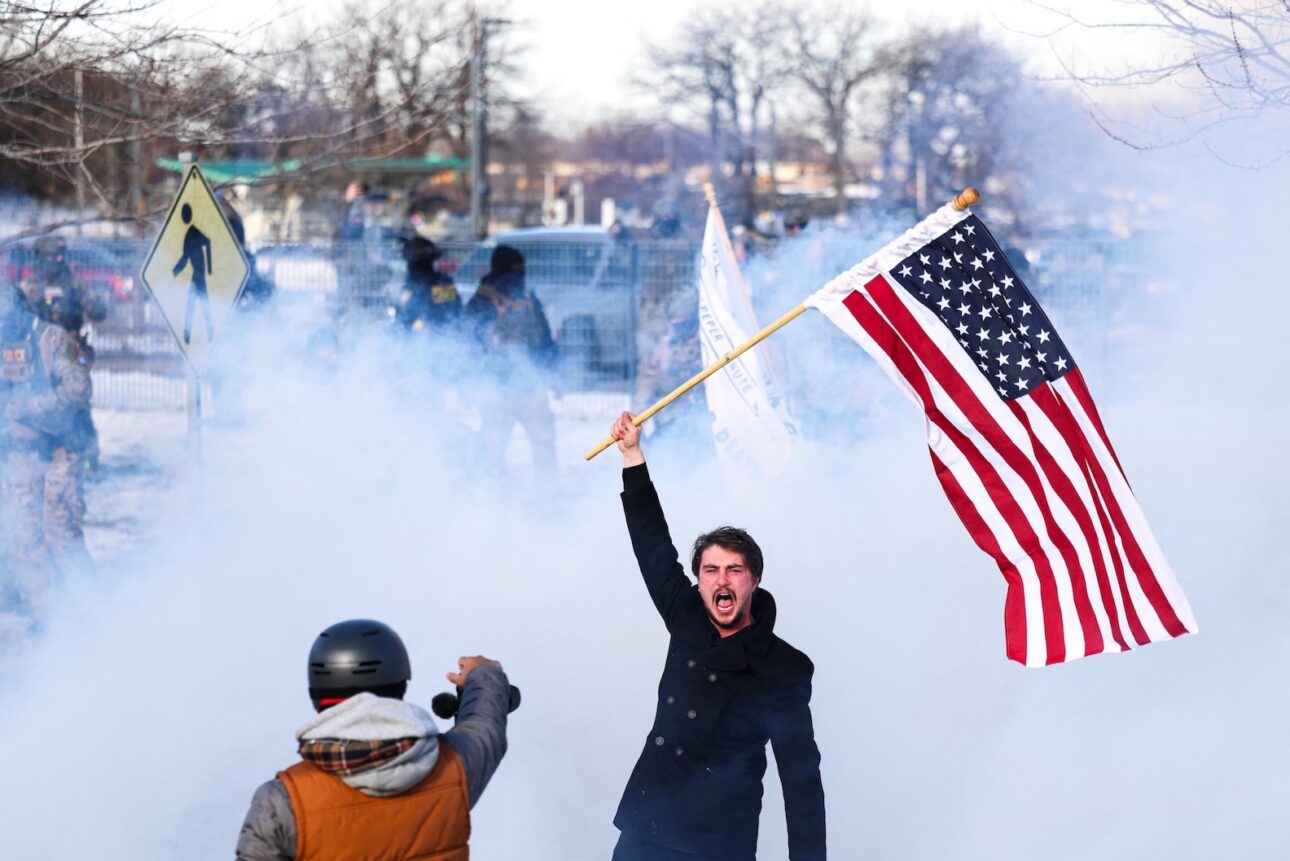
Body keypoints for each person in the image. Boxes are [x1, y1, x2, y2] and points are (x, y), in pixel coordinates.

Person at [607, 412, 826, 861]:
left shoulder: (784, 668)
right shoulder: (686, 615)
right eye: (710, 570)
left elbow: (801, 778)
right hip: (644, 829)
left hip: (716, 845)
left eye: (734, 570)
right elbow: (653, 548)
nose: (721, 579)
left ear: (754, 581)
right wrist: (632, 457)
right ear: (700, 580)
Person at [235, 619, 512, 861]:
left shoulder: (281, 802)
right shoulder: (454, 770)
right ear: (402, 685)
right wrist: (483, 673)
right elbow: (485, 726)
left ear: (316, 695)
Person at [1, 282, 92, 624]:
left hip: (60, 453)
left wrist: (30, 408)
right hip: (20, 456)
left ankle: (93, 611)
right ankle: (48, 616)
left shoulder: (55, 339)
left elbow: (81, 387)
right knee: (25, 538)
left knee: (62, 536)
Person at [465, 244, 558, 477]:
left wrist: (553, 372)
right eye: (514, 270)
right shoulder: (482, 302)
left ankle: (548, 497)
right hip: (497, 389)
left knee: (544, 447)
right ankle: (495, 502)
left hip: (530, 387)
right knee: (494, 451)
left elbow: (543, 339)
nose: (518, 276)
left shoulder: (527, 298)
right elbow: (469, 345)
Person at [392, 235, 460, 333]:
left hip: (436, 336)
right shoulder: (410, 285)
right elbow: (403, 315)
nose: (410, 266)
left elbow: (446, 314)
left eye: (412, 262)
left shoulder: (441, 284)